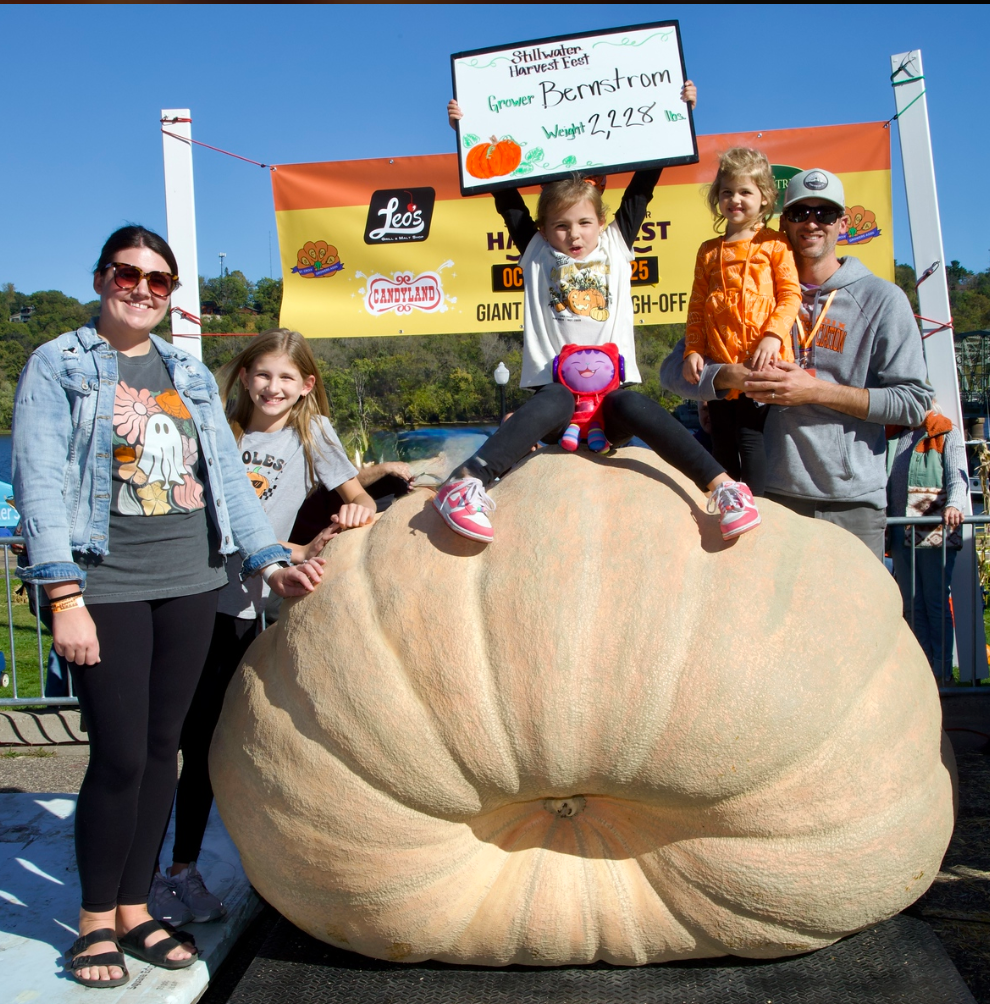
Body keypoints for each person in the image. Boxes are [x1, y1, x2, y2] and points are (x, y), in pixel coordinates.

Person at [12, 227, 325, 989]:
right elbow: (41, 485)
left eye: (160, 281)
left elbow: (225, 478)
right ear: (100, 278)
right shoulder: (59, 364)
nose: (144, 290)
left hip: (189, 583)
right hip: (105, 586)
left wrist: (270, 559)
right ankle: (91, 921)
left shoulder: (183, 369)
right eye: (130, 274)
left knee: (161, 753)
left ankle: (132, 906)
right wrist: (64, 597)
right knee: (117, 758)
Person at [437, 85, 761, 544]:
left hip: (609, 405)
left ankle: (724, 488)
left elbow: (645, 183)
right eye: (562, 225)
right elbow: (504, 193)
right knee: (552, 400)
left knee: (635, 404)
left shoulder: (615, 244)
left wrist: (677, 113)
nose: (574, 234)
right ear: (544, 229)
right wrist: (468, 132)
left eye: (585, 222)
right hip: (559, 408)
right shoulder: (536, 252)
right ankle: (466, 482)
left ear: (601, 222)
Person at [149, 328, 376, 925]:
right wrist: (291, 546)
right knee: (167, 741)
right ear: (245, 378)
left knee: (212, 744)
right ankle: (150, 873)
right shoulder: (217, 432)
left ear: (306, 386)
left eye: (286, 377)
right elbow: (199, 517)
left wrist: (347, 516)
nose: (273, 387)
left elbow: (361, 502)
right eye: (263, 374)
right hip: (188, 594)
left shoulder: (313, 435)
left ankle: (186, 866)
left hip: (246, 608)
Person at [660, 168, 932, 559]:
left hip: (850, 504)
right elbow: (672, 372)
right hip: (768, 498)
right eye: (800, 213)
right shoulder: (744, 288)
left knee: (852, 620)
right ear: (781, 220)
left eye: (825, 214)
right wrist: (724, 378)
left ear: (842, 222)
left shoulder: (882, 299)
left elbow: (914, 401)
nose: (812, 223)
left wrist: (816, 391)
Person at [682, 148, 802, 495]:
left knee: (751, 440)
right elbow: (698, 305)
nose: (735, 199)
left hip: (759, 365)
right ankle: (727, 507)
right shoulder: (708, 250)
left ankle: (758, 512)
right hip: (721, 367)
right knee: (720, 442)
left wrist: (773, 336)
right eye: (727, 192)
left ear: (765, 197)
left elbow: (790, 295)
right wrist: (693, 349)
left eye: (745, 191)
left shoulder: (774, 244)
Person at [886, 404, 967, 677]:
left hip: (933, 530)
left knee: (935, 603)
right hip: (900, 530)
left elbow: (957, 476)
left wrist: (954, 504)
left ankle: (942, 675)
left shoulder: (947, 432)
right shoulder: (896, 435)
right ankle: (920, 674)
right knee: (911, 604)